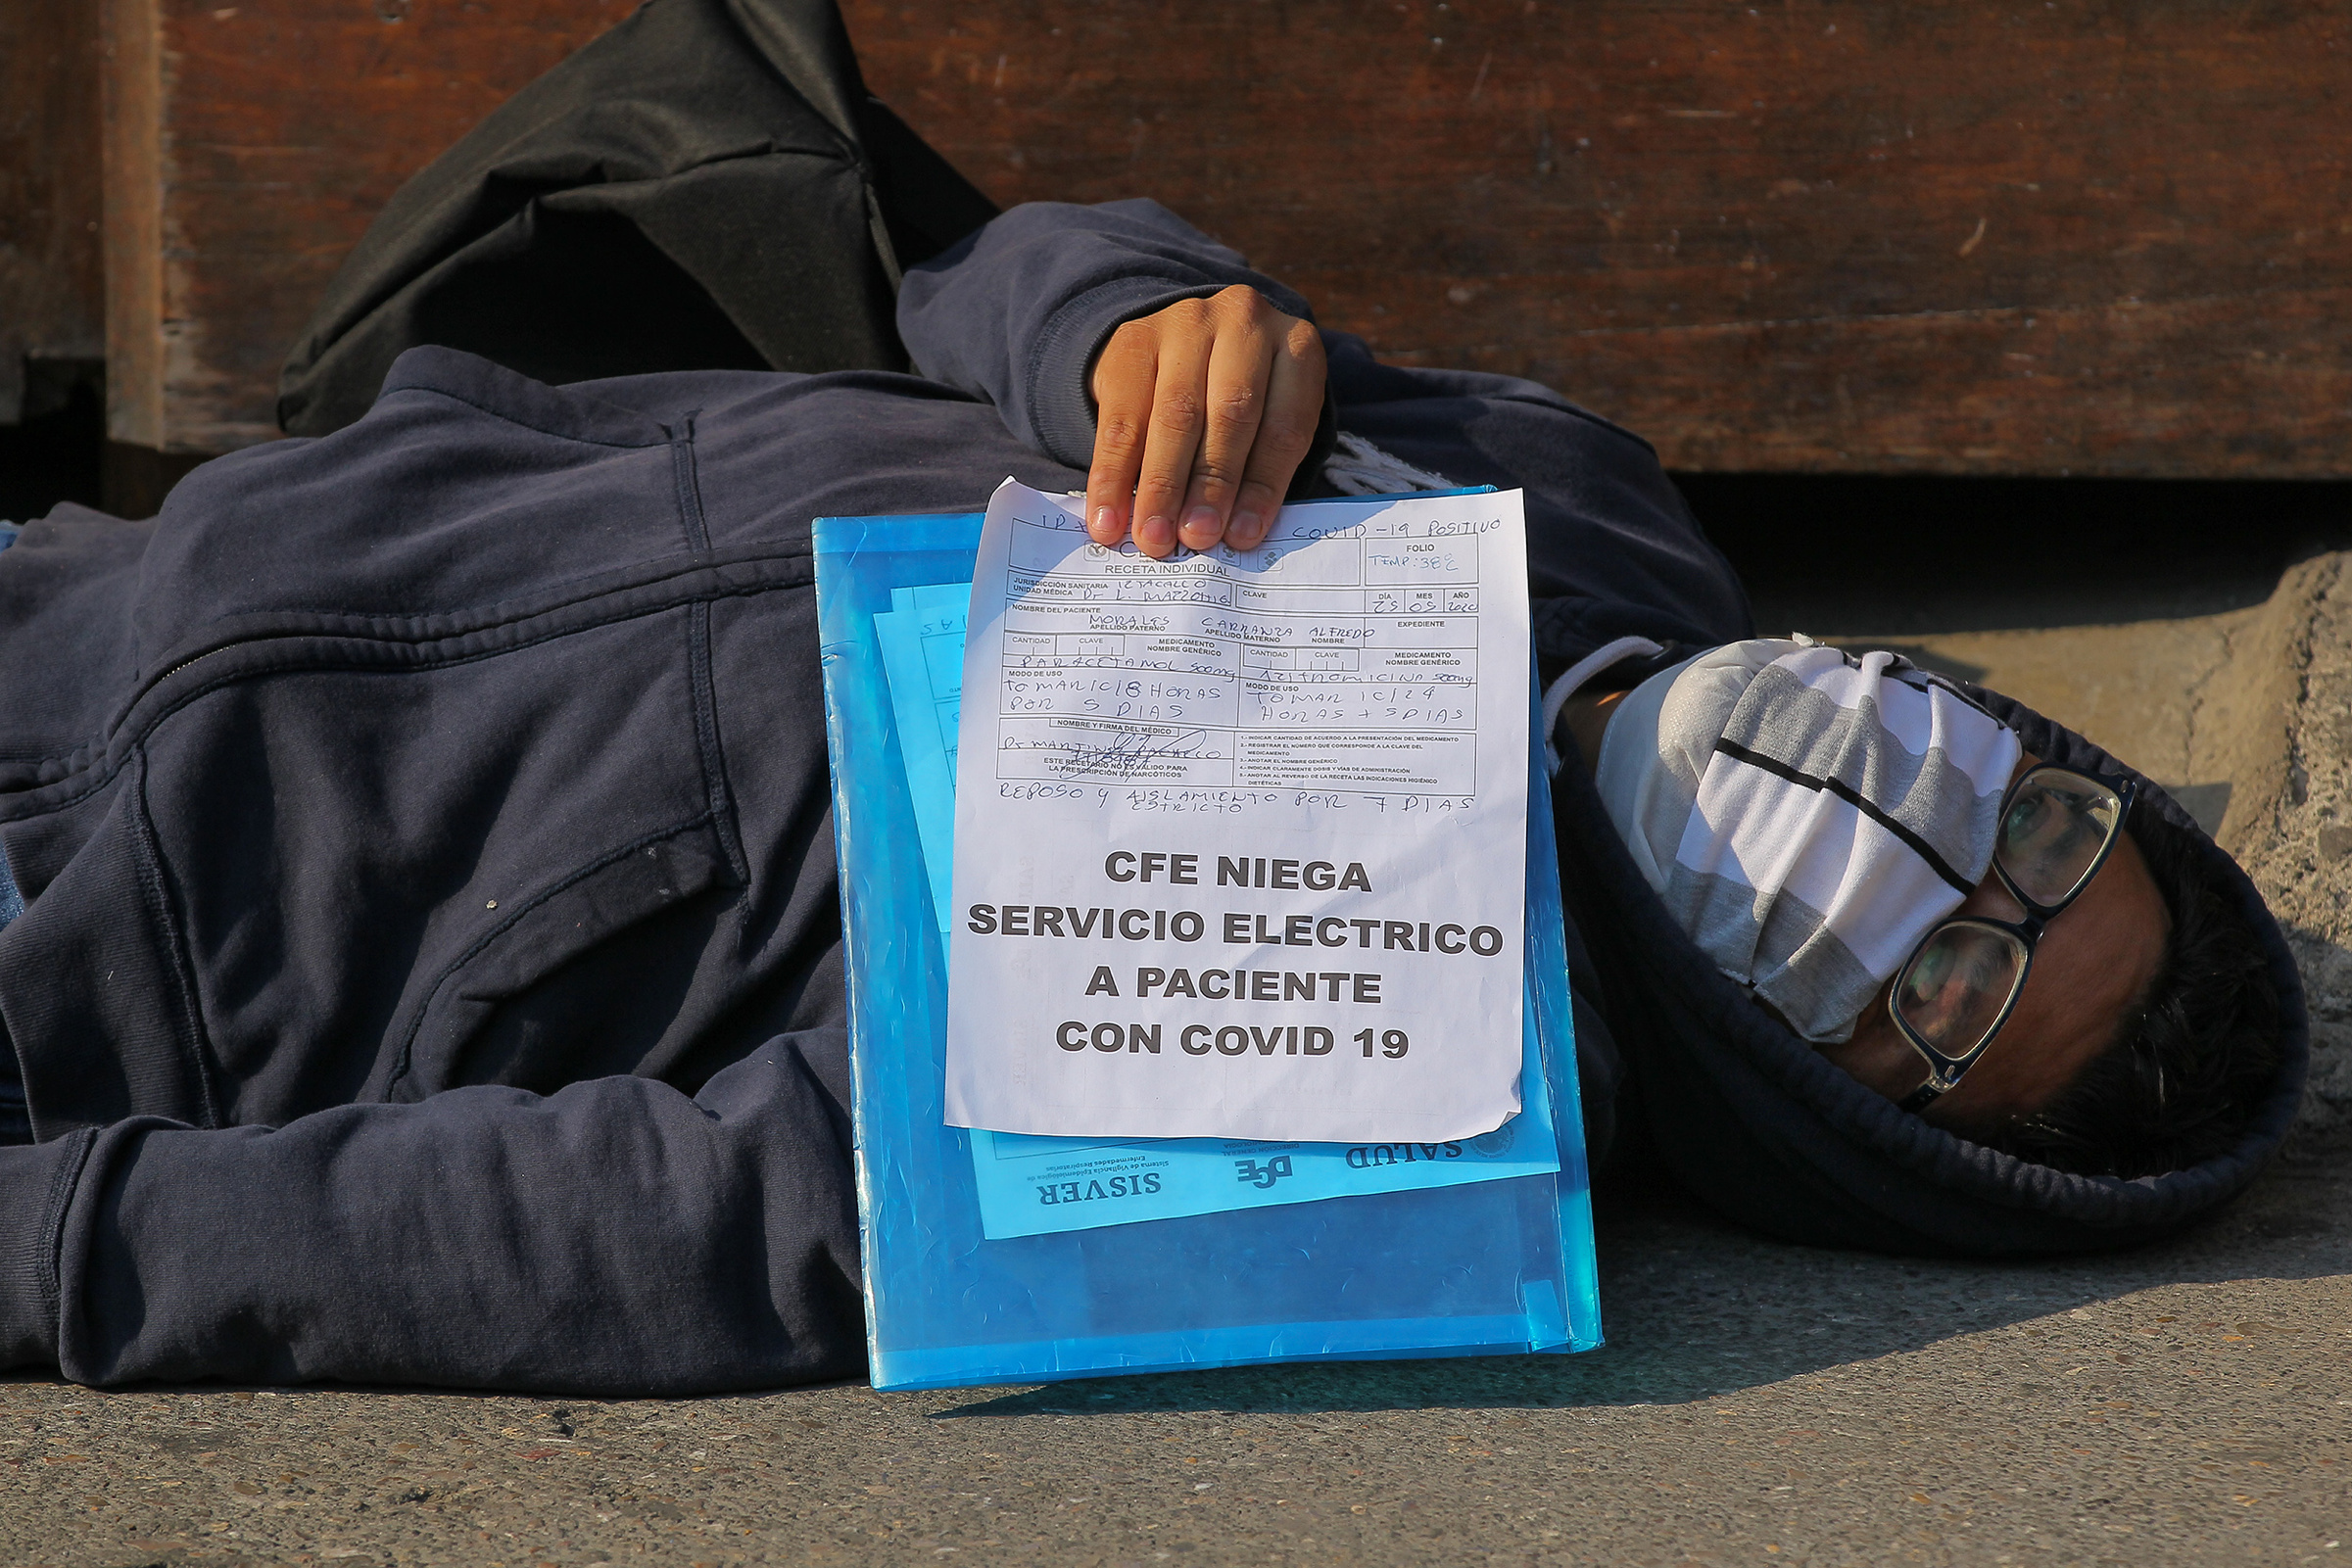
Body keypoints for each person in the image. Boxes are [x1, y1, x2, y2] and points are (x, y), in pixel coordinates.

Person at [0, 22, 2305, 1396]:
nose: (1932, 843)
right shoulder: (1582, 505)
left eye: (1950, 981)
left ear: (1831, 1130)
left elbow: (686, 1225)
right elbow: (969, 270)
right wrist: (1148, 320)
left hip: (110, 957)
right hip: (104, 584)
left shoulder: (1398, 1103)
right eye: (2047, 844)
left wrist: (68, 1245)